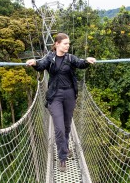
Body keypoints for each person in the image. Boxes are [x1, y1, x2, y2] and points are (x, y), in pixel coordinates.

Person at [26, 33, 96, 172]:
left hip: (69, 94)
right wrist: (34, 63)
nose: (68, 46)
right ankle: (62, 158)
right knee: (59, 128)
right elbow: (41, 65)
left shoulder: (70, 58)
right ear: (57, 44)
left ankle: (65, 148)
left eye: (69, 43)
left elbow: (80, 63)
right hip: (55, 96)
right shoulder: (49, 58)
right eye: (65, 43)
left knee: (66, 125)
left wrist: (87, 61)